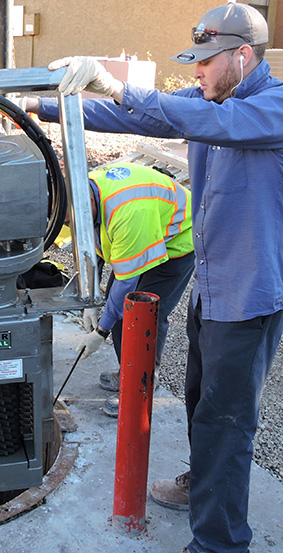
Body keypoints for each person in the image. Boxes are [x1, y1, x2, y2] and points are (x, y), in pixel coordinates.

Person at [19, 2, 283, 553]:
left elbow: (215, 125)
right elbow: (140, 117)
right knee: (205, 405)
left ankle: (220, 543)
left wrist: (116, 82)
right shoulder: (210, 99)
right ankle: (201, 485)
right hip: (213, 287)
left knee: (228, 424)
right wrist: (37, 106)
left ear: (243, 56)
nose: (197, 72)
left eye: (206, 61)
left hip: (250, 298)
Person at [78, 162, 195, 418]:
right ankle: (127, 374)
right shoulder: (81, 190)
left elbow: (126, 285)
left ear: (89, 205)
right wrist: (91, 300)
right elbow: (90, 247)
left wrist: (100, 332)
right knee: (118, 311)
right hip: (143, 233)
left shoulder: (127, 212)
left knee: (144, 318)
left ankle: (141, 390)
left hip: (176, 245)